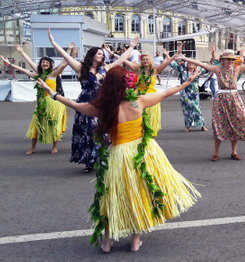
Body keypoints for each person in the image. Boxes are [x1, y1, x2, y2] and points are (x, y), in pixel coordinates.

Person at [37, 66, 201, 252]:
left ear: (107, 85)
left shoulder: (101, 108)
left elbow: (75, 105)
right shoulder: (139, 102)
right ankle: (134, 242)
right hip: (143, 153)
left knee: (112, 197)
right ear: (127, 83)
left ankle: (107, 243)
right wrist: (186, 83)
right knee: (138, 194)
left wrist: (53, 94)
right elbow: (166, 93)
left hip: (117, 156)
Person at [48, 28, 139, 173]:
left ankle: (103, 159)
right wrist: (53, 42)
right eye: (99, 53)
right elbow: (65, 55)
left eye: (102, 54)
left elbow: (121, 60)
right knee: (86, 133)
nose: (101, 55)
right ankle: (89, 161)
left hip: (101, 103)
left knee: (102, 132)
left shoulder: (106, 68)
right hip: (85, 103)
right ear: (92, 55)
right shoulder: (81, 67)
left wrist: (132, 47)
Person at [180, 50, 245, 161]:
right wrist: (185, 58)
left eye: (232, 60)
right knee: (218, 125)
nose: (230, 61)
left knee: (235, 125)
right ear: (222, 60)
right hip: (221, 99)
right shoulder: (217, 69)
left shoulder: (237, 69)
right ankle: (216, 153)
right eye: (228, 60)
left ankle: (234, 152)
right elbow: (201, 63)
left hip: (234, 99)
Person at [1, 45, 72, 154]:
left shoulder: (53, 74)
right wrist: (17, 56)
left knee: (53, 125)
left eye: (46, 62)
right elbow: (25, 67)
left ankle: (54, 146)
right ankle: (32, 148)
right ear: (40, 64)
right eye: (42, 62)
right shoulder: (37, 75)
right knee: (35, 125)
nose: (44, 63)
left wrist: (70, 51)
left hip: (53, 104)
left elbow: (63, 64)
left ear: (50, 65)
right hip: (40, 103)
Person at [112, 45, 183, 136]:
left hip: (151, 98)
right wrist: (112, 53)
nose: (145, 61)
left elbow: (167, 62)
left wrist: (176, 54)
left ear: (150, 61)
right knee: (138, 120)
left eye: (147, 59)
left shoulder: (155, 70)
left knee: (150, 122)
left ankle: (149, 139)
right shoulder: (137, 69)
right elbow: (123, 60)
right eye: (143, 59)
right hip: (138, 97)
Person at [171, 54, 209, 132]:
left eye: (193, 64)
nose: (191, 65)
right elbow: (173, 64)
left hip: (194, 94)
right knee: (186, 110)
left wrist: (212, 56)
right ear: (187, 65)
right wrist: (168, 55)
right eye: (189, 63)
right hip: (184, 94)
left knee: (197, 109)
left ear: (195, 66)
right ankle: (188, 126)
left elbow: (208, 68)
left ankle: (202, 125)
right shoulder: (183, 71)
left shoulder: (197, 71)